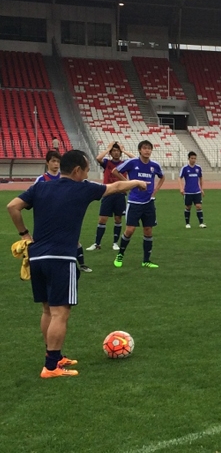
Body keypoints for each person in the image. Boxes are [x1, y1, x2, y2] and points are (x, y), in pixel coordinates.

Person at [6, 150, 147, 378]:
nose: (87, 174)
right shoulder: (82, 188)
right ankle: (51, 367)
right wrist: (137, 181)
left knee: (47, 310)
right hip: (61, 257)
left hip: (37, 257)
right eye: (86, 170)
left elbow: (12, 206)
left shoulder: (41, 186)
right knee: (60, 312)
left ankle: (54, 356)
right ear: (76, 170)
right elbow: (116, 188)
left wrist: (24, 235)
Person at [35, 150, 92, 273]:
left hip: (65, 215)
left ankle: (81, 264)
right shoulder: (41, 179)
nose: (56, 164)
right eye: (53, 161)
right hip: (49, 218)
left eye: (58, 161)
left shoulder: (66, 177)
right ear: (47, 163)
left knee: (74, 240)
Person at [113, 140, 165, 268]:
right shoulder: (133, 162)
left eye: (149, 148)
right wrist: (128, 183)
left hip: (149, 203)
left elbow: (162, 177)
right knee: (130, 230)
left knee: (148, 230)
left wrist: (155, 190)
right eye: (145, 148)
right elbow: (115, 171)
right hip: (134, 202)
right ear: (140, 150)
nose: (147, 150)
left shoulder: (154, 165)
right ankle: (120, 254)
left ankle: (146, 260)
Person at [86, 141, 135, 251]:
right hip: (108, 193)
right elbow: (98, 158)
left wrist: (124, 151)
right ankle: (97, 243)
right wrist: (108, 149)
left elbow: (134, 159)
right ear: (111, 153)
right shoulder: (107, 163)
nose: (116, 153)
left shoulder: (124, 163)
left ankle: (115, 243)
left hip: (120, 194)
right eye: (114, 151)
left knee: (118, 219)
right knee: (102, 219)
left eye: (118, 151)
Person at [180, 151, 206, 229]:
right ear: (188, 158)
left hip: (197, 191)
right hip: (188, 192)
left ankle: (201, 223)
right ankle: (187, 223)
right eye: (192, 158)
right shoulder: (185, 168)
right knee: (188, 207)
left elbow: (201, 178)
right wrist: (181, 188)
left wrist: (202, 189)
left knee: (198, 206)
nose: (193, 160)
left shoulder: (198, 168)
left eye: (195, 158)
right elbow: (179, 178)